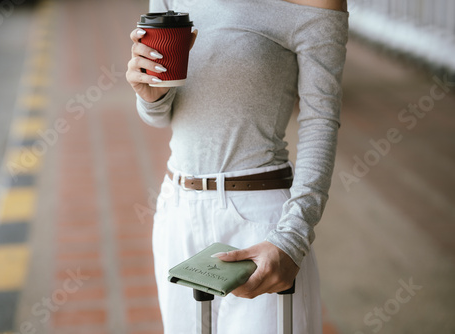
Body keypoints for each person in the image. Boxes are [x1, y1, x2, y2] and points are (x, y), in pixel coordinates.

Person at [126, 0, 349, 333]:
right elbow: (163, 113)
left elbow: (321, 120)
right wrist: (149, 95)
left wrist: (292, 238)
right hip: (178, 211)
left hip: (260, 226)